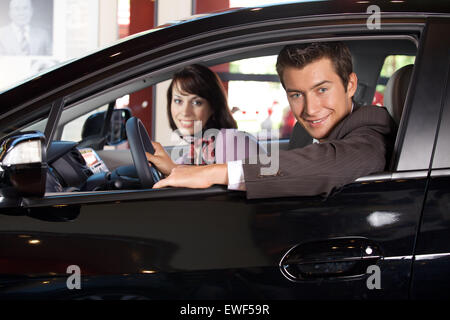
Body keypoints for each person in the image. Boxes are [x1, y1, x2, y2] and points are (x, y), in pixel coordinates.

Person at [151, 42, 396, 199]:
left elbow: (334, 162)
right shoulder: (308, 130)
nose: (310, 109)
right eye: (296, 94)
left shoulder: (371, 127)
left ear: (350, 84)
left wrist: (211, 173)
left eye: (322, 90)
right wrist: (176, 170)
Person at [146, 64, 261, 176]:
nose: (185, 112)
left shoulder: (234, 141)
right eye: (178, 101)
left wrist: (174, 170)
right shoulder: (188, 156)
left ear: (213, 107)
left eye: (197, 102)